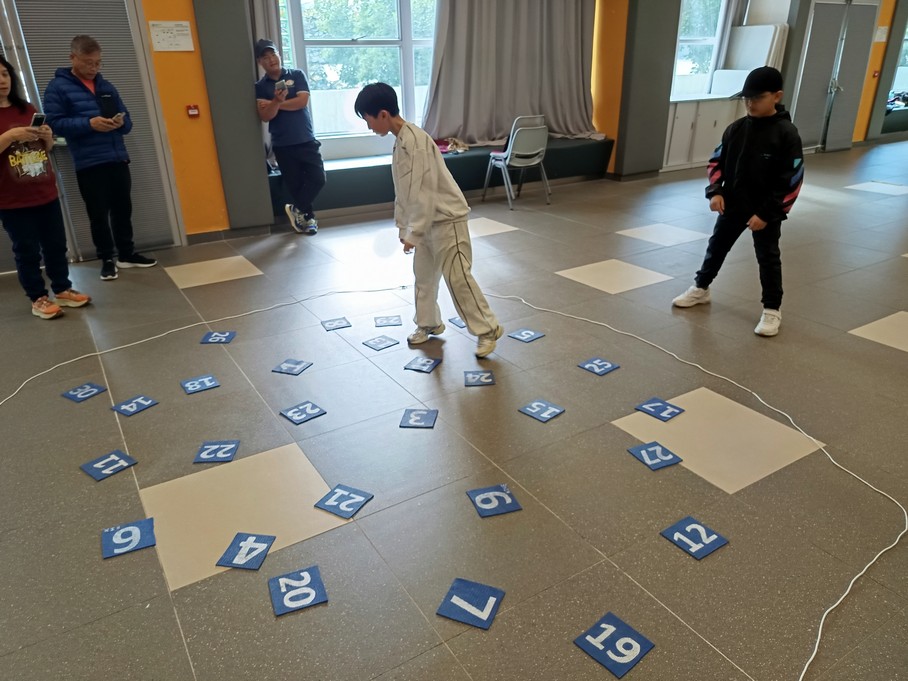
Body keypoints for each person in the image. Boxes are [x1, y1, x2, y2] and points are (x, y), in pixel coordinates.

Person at [354, 82, 503, 358]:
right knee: (424, 277)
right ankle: (428, 323)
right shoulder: (400, 142)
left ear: (383, 114)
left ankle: (488, 329)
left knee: (458, 278)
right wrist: (404, 227)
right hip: (425, 224)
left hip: (447, 219)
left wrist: (414, 232)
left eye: (368, 119)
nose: (369, 126)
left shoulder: (416, 141)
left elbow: (424, 192)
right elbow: (403, 191)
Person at [672, 66, 803, 337]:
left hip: (765, 211)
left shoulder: (786, 134)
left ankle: (772, 309)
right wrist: (716, 192)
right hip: (733, 204)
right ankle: (701, 288)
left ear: (777, 96)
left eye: (758, 98)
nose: (750, 104)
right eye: (746, 98)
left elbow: (792, 180)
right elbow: (716, 162)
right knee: (716, 247)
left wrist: (766, 213)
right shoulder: (736, 129)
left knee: (768, 257)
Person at [43, 35, 156, 281]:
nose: (94, 68)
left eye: (98, 63)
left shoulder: (106, 86)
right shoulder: (57, 87)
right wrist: (89, 124)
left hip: (117, 158)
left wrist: (121, 122)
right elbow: (54, 123)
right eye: (88, 63)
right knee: (98, 215)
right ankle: (106, 259)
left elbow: (128, 122)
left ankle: (126, 254)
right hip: (89, 162)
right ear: (73, 58)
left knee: (123, 209)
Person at [0, 55, 91, 319]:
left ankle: (62, 288)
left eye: (4, 74)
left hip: (44, 190)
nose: (2, 80)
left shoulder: (26, 108)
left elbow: (45, 149)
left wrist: (48, 137)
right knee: (27, 250)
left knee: (56, 245)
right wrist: (10, 136)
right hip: (12, 199)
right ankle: (37, 297)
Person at [254, 38, 325, 235]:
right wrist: (276, 102)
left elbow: (301, 102)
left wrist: (274, 104)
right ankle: (308, 220)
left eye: (273, 54)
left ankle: (296, 209)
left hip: (305, 138)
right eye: (265, 57)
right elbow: (266, 116)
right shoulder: (260, 86)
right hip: (282, 143)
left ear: (279, 54)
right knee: (295, 184)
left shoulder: (296, 75)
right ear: (260, 62)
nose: (271, 59)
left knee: (318, 178)